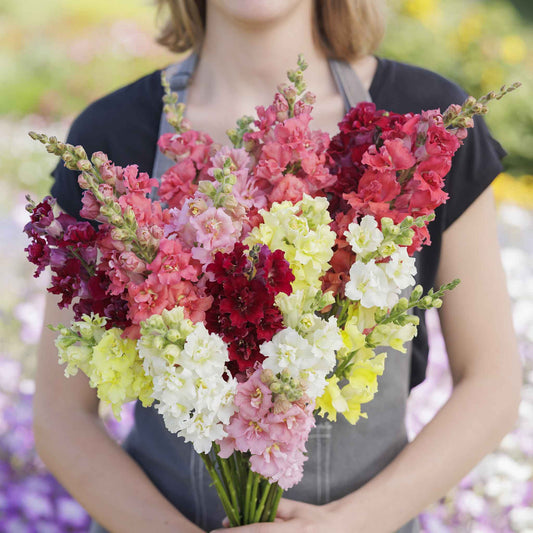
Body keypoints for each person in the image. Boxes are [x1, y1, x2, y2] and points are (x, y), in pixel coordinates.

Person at [33, 1, 523, 532]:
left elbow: (491, 382)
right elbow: (63, 416)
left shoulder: (423, 127)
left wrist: (345, 524)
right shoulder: (110, 141)